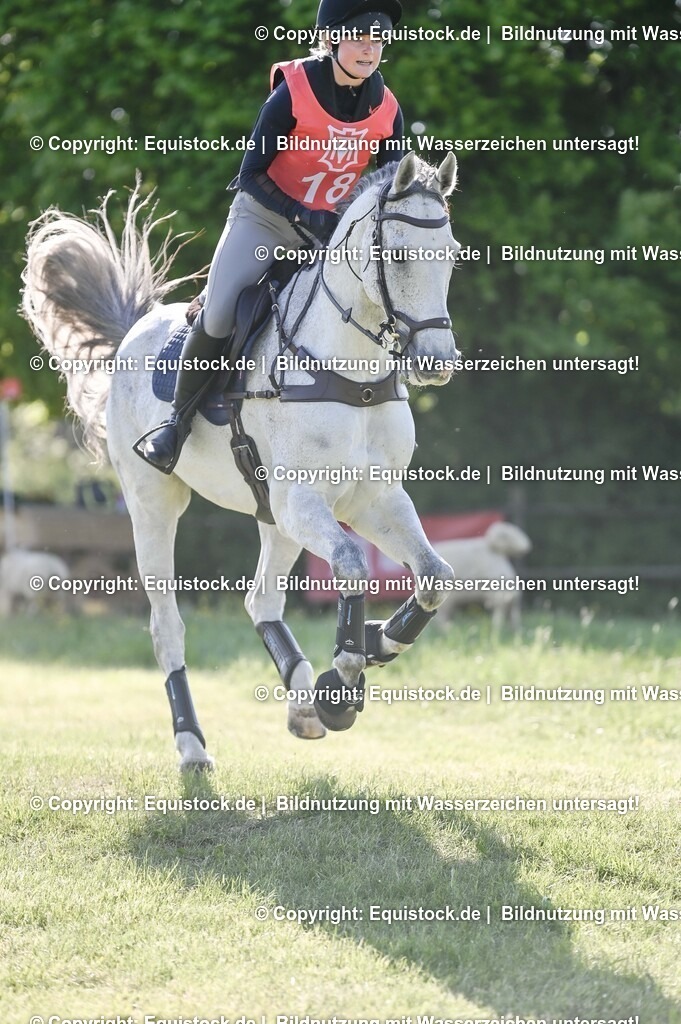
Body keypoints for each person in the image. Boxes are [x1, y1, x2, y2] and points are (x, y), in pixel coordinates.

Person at [140, 0, 405, 472]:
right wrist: (304, 214)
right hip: (263, 219)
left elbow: (391, 188)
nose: (370, 48)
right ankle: (175, 426)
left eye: (378, 39)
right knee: (220, 314)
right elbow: (250, 173)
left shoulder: (387, 109)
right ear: (334, 38)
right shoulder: (294, 91)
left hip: (330, 235)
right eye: (361, 37)